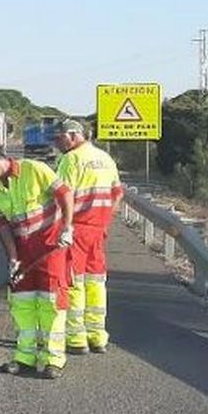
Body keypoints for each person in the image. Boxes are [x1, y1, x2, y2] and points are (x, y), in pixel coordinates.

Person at [0, 140, 76, 379]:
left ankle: (53, 360)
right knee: (22, 303)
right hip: (23, 251)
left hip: (51, 247)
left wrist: (67, 228)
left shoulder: (34, 169)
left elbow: (65, 194)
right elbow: (2, 227)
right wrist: (13, 259)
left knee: (51, 303)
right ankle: (25, 357)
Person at [53, 119, 125, 354]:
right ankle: (98, 335)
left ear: (73, 136)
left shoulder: (71, 159)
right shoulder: (105, 158)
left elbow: (63, 197)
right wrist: (105, 222)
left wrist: (63, 227)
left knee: (75, 282)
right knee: (96, 283)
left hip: (77, 229)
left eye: (60, 137)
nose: (57, 142)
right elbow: (117, 194)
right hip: (98, 230)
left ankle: (76, 339)